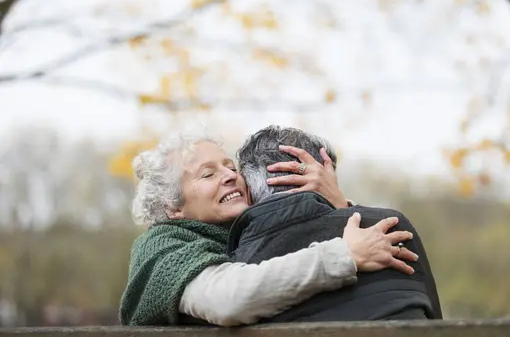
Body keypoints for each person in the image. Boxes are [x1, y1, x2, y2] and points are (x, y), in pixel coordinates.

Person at [118, 131, 416, 326]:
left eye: (231, 167)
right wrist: (344, 255)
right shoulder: (162, 251)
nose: (230, 176)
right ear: (173, 207)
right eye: (208, 174)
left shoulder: (246, 236)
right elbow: (229, 300)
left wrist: (336, 203)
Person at [229, 125, 443, 322]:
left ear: (247, 191)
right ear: (326, 179)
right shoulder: (388, 227)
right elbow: (435, 325)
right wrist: (341, 204)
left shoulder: (236, 263)